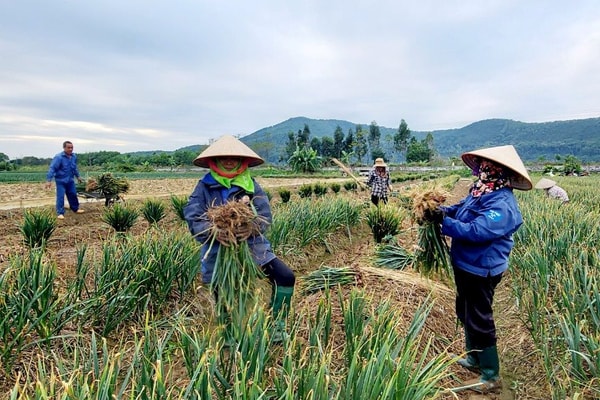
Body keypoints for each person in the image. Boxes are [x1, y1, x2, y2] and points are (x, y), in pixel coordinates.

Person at [435, 145, 532, 394]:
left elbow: (477, 231)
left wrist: (444, 223)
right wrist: (442, 212)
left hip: (482, 268)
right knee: (464, 311)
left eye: (489, 167)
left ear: (500, 171)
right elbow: (461, 209)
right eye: (482, 166)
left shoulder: (503, 203)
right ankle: (474, 359)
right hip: (465, 264)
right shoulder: (481, 191)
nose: (483, 170)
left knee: (479, 317)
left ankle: (491, 375)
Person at [183, 135, 295, 342]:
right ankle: (227, 333)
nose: (229, 161)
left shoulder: (251, 186)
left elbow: (265, 216)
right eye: (223, 157)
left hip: (253, 248)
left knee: (285, 277)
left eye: (234, 157)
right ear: (214, 161)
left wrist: (252, 228)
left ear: (242, 160)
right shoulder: (204, 186)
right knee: (222, 289)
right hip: (219, 249)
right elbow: (192, 216)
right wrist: (214, 230)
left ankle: (276, 326)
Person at [45, 140, 84, 219]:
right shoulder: (59, 157)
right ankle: (60, 213)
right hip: (61, 181)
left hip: (70, 180)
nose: (70, 149)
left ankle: (75, 208)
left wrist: (78, 176)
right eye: (68, 147)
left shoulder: (73, 157)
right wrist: (49, 180)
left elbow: (74, 168)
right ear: (64, 148)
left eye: (72, 147)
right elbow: (52, 168)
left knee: (73, 194)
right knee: (61, 196)